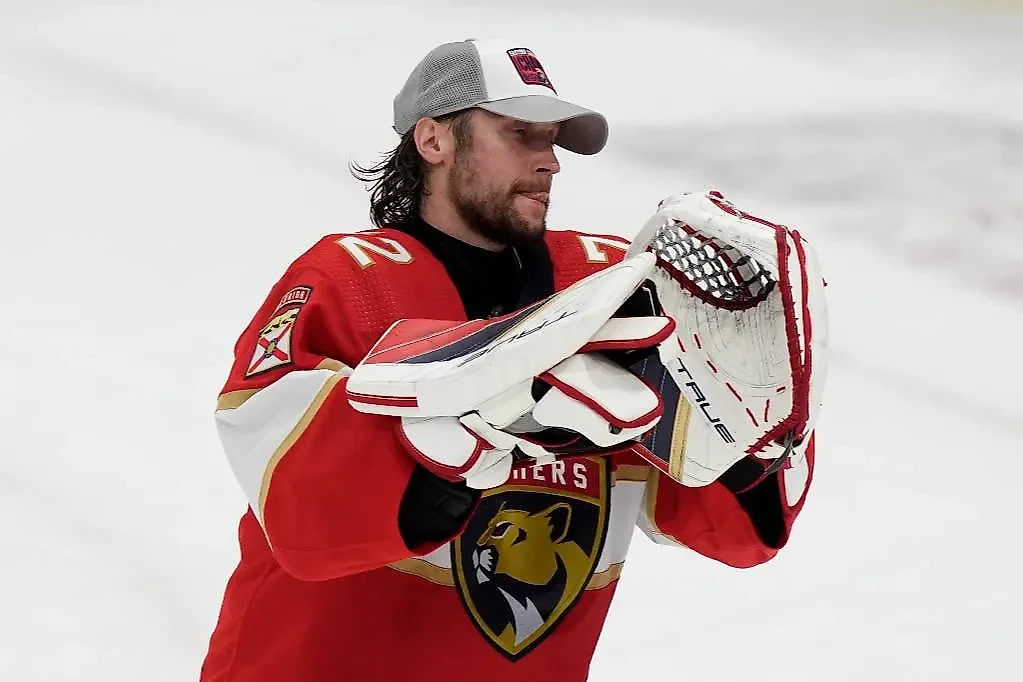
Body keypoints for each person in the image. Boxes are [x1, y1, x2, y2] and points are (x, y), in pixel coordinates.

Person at [200, 38, 819, 682]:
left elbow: (730, 524)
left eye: (551, 140)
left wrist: (759, 439)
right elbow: (289, 489)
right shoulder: (348, 282)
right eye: (521, 134)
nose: (548, 162)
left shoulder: (610, 292)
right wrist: (466, 423)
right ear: (434, 140)